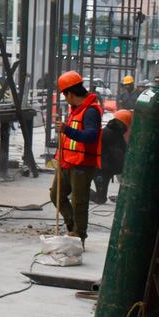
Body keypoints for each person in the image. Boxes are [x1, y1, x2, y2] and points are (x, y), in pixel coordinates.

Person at [51, 71, 103, 244]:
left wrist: (67, 130)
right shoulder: (76, 110)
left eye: (65, 95)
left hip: (82, 164)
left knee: (79, 202)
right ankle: (72, 225)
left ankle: (78, 235)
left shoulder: (90, 112)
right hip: (67, 161)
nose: (65, 99)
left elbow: (91, 136)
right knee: (56, 195)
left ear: (70, 94)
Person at [91, 109, 132, 204]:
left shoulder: (115, 133)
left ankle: (76, 189)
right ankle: (75, 190)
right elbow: (118, 154)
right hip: (100, 170)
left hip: (105, 170)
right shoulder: (112, 134)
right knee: (100, 199)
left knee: (101, 198)